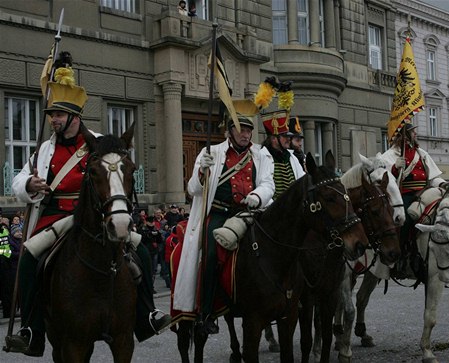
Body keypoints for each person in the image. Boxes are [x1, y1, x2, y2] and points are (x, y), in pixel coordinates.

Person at [6, 74, 171, 357]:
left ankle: (147, 315)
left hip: (96, 215)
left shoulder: (98, 143)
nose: (53, 120)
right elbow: (18, 181)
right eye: (52, 115)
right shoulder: (44, 150)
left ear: (74, 117)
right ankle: (32, 329)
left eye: (58, 115)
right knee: (29, 258)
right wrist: (29, 185)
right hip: (56, 216)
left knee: (140, 250)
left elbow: (120, 167)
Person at [172, 110, 275, 335]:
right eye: (241, 130)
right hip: (218, 214)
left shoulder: (261, 155)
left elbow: (268, 184)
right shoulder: (211, 153)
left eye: (248, 130)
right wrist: (201, 171)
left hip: (248, 213)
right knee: (209, 254)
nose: (246, 135)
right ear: (230, 131)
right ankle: (206, 313)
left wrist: (257, 196)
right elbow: (192, 189)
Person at [381, 122, 449, 279]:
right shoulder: (390, 155)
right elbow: (385, 180)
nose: (416, 135)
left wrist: (442, 183)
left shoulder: (422, 153)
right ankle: (401, 255)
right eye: (412, 132)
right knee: (404, 220)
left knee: (445, 211)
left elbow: (432, 177)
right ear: (404, 135)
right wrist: (394, 168)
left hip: (424, 193)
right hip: (404, 194)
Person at [261, 111, 305, 200]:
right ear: (273, 138)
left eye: (289, 137)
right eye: (285, 136)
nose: (289, 139)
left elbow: (303, 180)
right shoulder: (261, 156)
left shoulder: (292, 158)